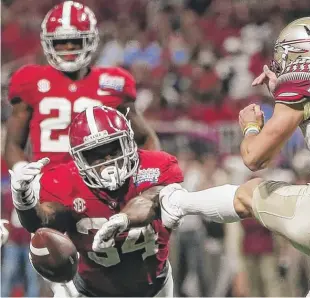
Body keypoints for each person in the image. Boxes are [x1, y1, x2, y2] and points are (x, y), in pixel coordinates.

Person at [93, 17, 310, 297]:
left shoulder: (308, 74)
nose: (285, 65)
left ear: (304, 51)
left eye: (290, 55)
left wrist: (252, 127)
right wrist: (282, 95)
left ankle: (175, 204)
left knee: (248, 192)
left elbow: (254, 158)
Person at [9, 106, 182, 297]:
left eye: (114, 149)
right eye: (95, 155)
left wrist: (124, 218)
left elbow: (152, 200)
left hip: (155, 288)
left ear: (128, 142)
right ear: (79, 158)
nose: (107, 162)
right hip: (91, 292)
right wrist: (24, 200)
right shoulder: (64, 180)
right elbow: (40, 223)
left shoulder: (155, 166)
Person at [5, 1, 160, 176]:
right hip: (47, 184)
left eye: (76, 40)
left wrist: (144, 174)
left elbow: (146, 138)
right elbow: (13, 143)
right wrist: (23, 174)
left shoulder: (113, 82)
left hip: (100, 184)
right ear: (48, 42)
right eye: (61, 41)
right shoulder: (29, 80)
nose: (69, 47)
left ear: (91, 39)